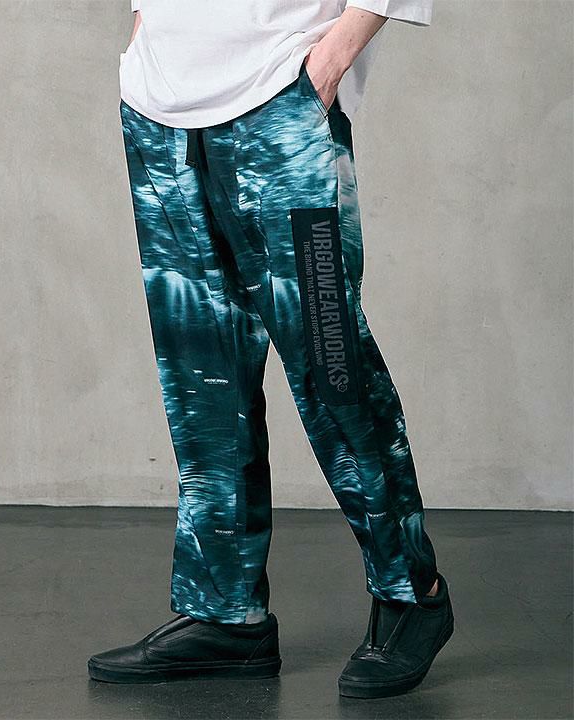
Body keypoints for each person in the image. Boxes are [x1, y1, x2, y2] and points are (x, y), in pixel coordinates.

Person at [87, 0, 454, 699]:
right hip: (158, 109)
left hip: (280, 104)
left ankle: (413, 594)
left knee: (332, 367)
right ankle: (226, 613)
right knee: (201, 376)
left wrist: (330, 63)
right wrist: (144, 30)